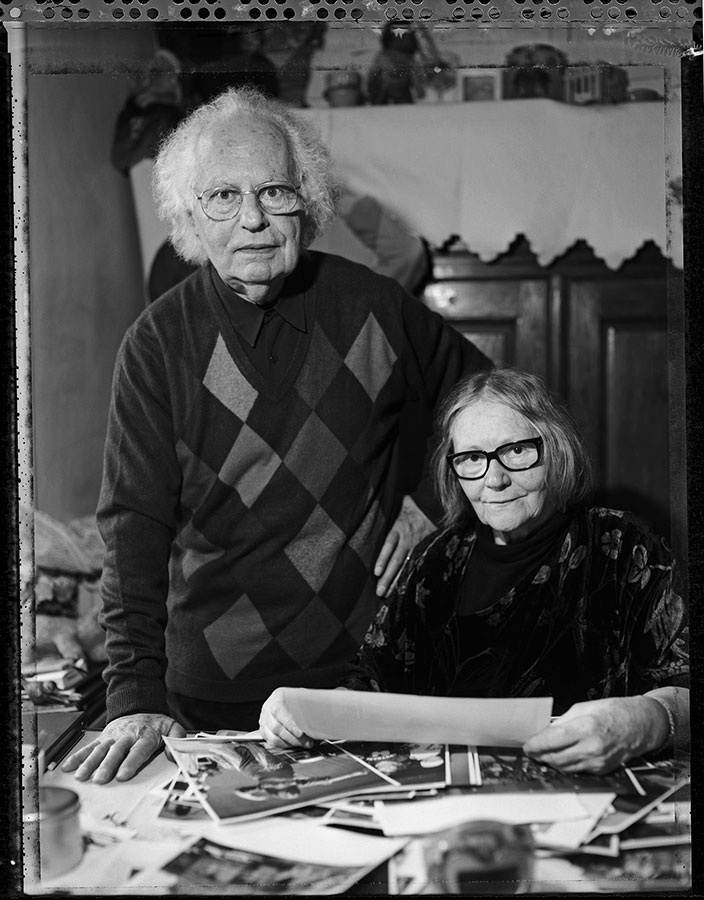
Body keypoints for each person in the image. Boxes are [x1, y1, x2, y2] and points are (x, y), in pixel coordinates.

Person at [62, 86, 491, 784]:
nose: (253, 219)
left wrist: (432, 502)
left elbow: (492, 401)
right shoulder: (156, 345)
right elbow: (132, 527)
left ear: (307, 203)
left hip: (372, 679)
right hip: (215, 697)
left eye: (274, 191)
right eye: (223, 196)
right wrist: (135, 696)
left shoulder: (376, 307)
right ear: (189, 217)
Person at [260, 368, 689, 774]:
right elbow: (371, 679)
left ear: (556, 449)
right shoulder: (436, 559)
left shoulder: (624, 547)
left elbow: (686, 685)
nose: (493, 480)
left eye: (516, 451)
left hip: (585, 794)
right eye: (470, 458)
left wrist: (648, 720)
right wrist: (304, 713)